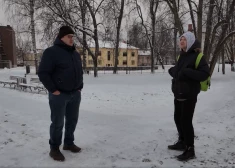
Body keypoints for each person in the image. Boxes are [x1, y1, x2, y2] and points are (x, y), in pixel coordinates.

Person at [38, 26, 83, 161]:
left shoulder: (75, 53)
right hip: (59, 95)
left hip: (75, 94)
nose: (71, 39)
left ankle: (68, 143)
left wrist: (80, 86)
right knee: (57, 123)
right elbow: (43, 73)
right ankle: (54, 148)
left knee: (72, 121)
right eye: (69, 36)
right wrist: (53, 90)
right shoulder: (51, 52)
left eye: (73, 36)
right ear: (61, 37)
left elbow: (79, 71)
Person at [168, 31, 210, 161]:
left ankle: (190, 149)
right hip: (178, 93)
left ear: (190, 41)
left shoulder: (198, 56)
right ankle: (182, 141)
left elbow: (204, 74)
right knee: (177, 118)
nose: (181, 41)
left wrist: (187, 72)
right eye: (180, 39)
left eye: (184, 39)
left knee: (186, 121)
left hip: (190, 94)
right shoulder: (181, 56)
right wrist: (173, 71)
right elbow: (176, 71)